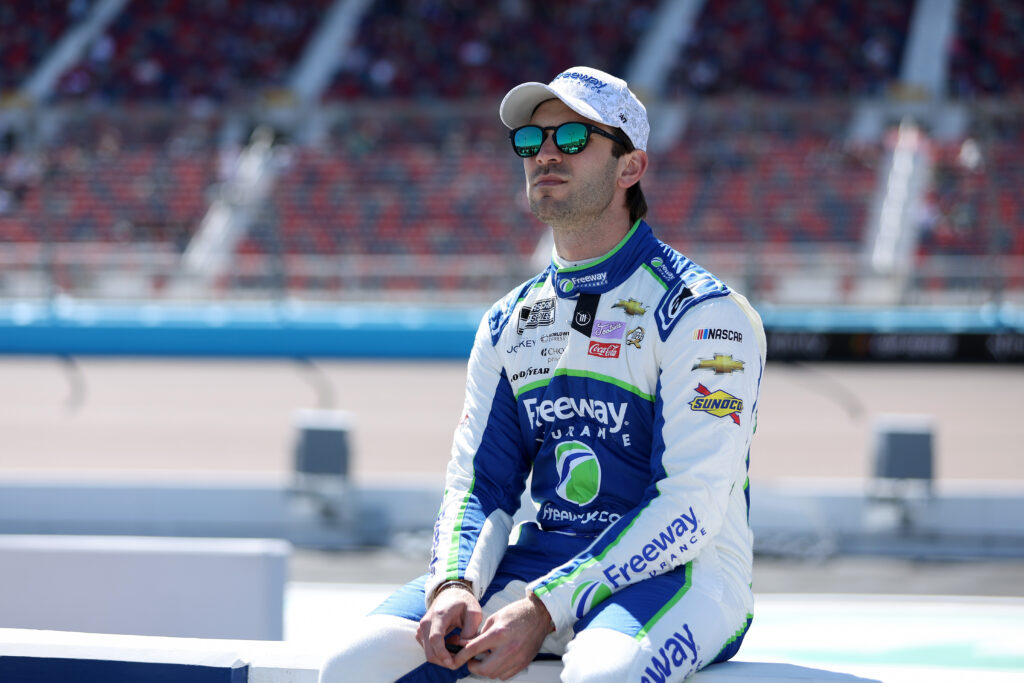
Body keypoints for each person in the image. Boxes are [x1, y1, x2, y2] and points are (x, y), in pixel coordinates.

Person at [321, 65, 766, 683]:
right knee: (354, 666)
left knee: (601, 676)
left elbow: (692, 505)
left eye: (573, 139)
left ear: (630, 167)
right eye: (531, 142)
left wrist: (543, 607)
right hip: (546, 562)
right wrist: (454, 583)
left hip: (685, 571)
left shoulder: (703, 312)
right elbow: (480, 485)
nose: (546, 154)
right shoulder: (510, 321)